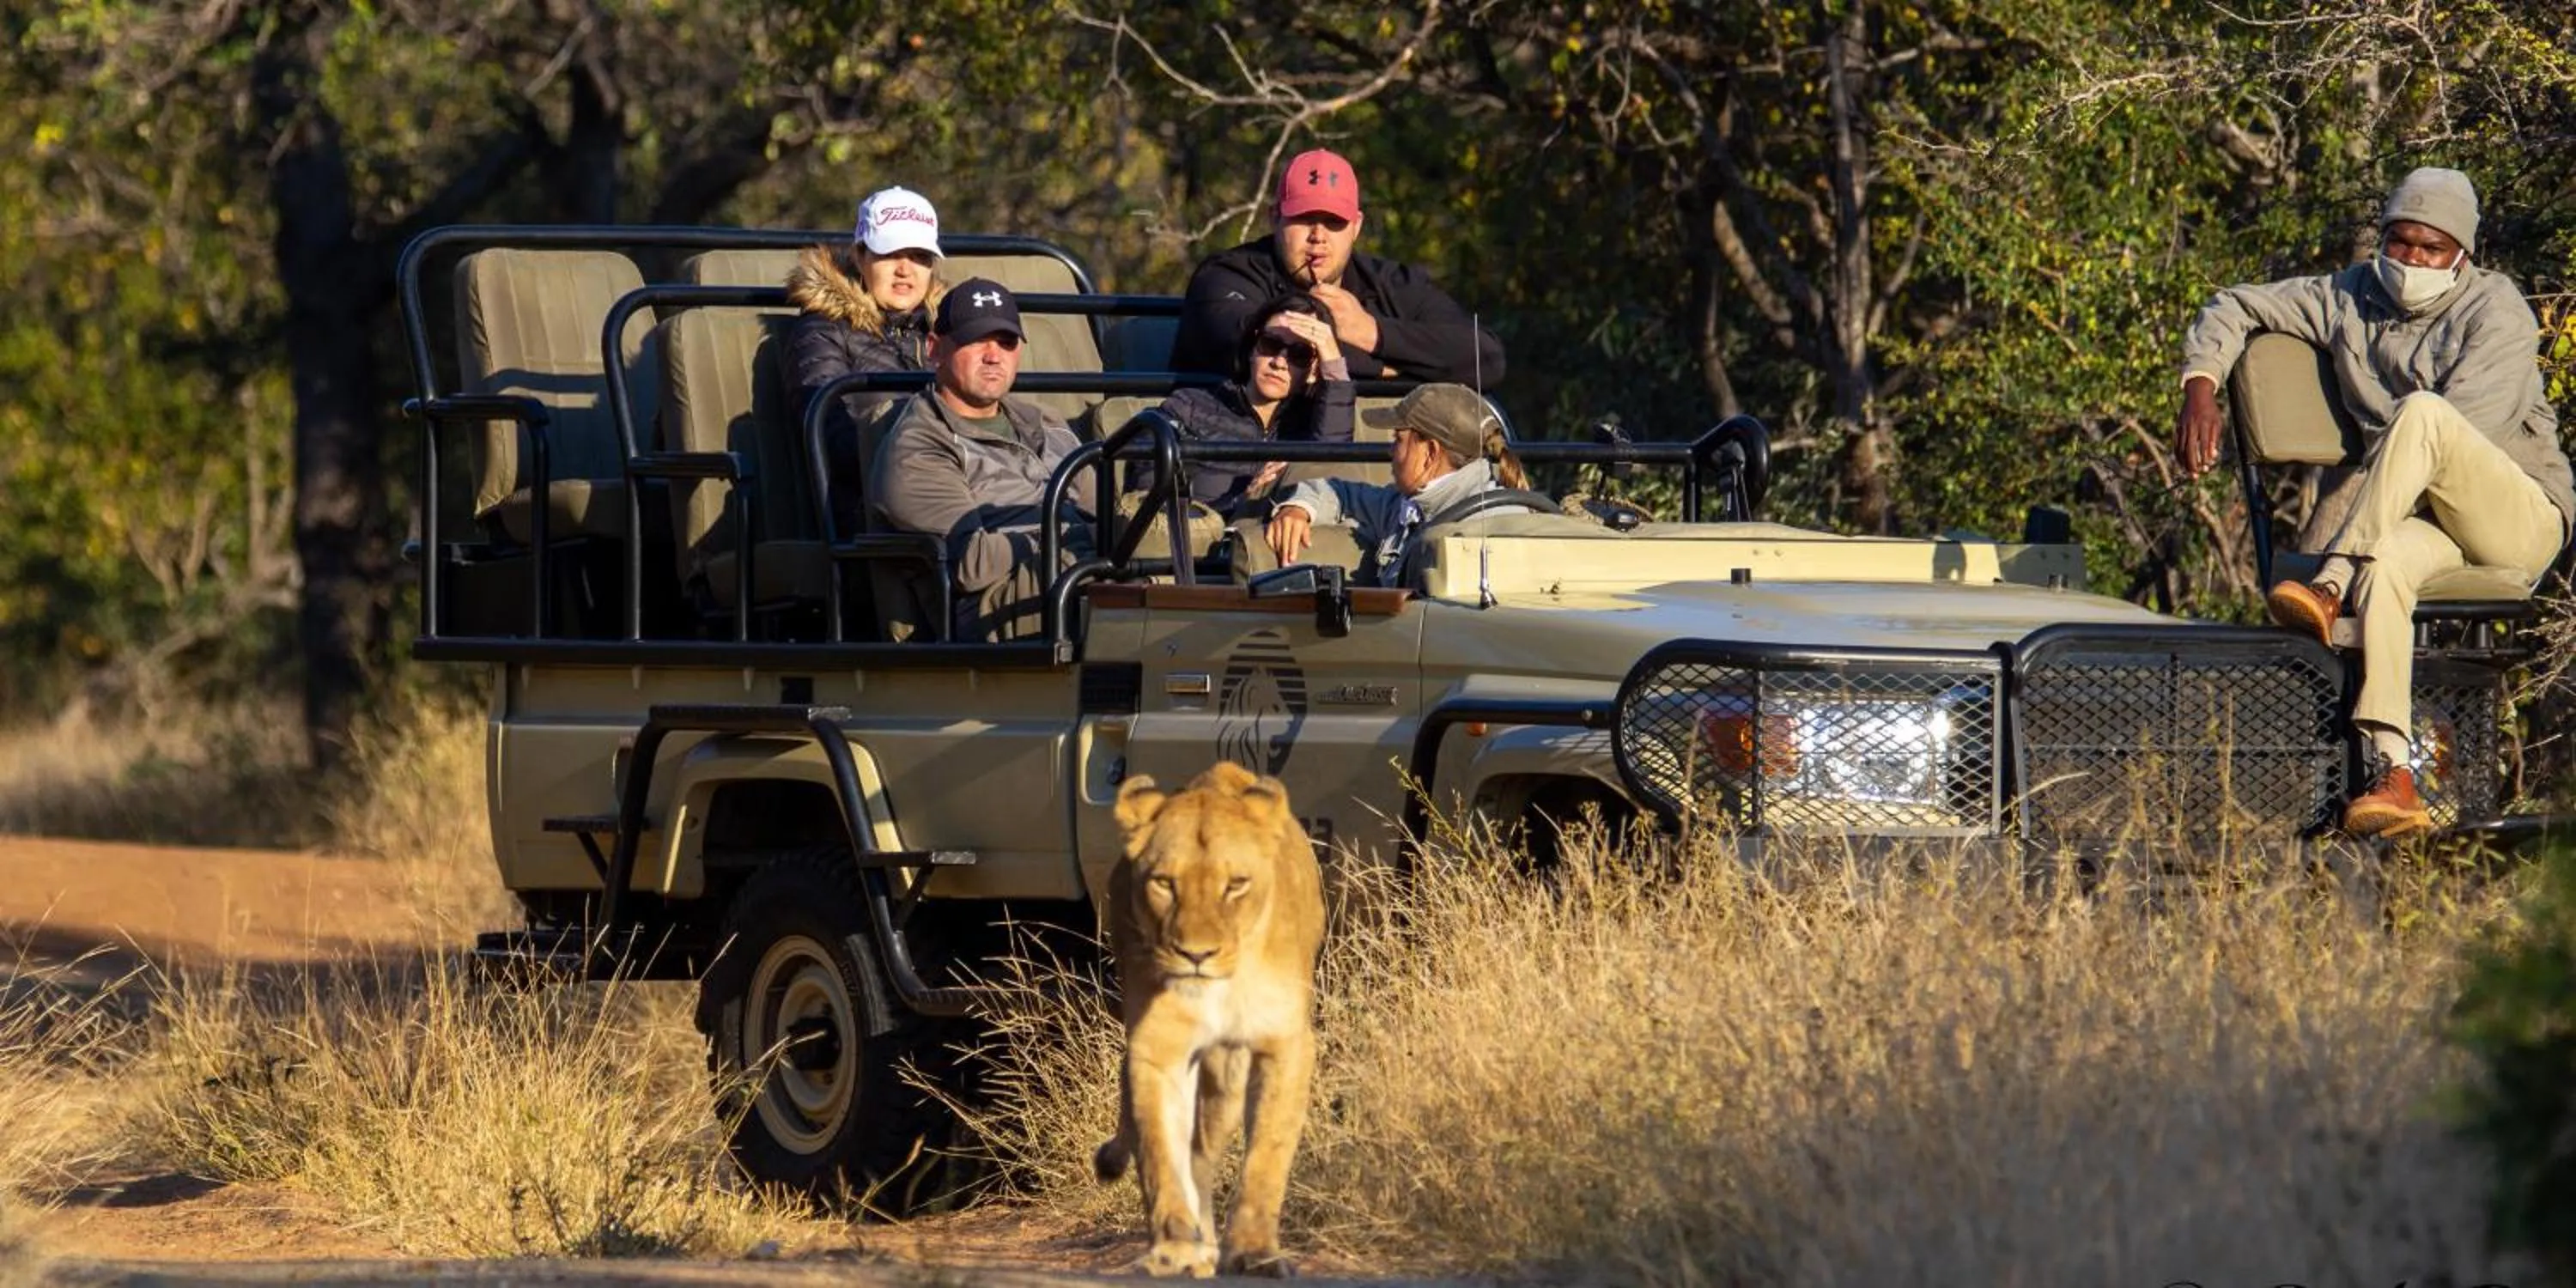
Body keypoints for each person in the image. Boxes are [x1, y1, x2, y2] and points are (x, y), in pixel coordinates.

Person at [2176, 166, 2573, 837]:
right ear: (2383, 239)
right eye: (2400, 242)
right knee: (2386, 561)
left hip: (2516, 517)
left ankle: (2332, 580)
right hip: (2416, 524)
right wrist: (2200, 385)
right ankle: (2395, 773)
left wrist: (2333, 556)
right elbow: (2236, 303)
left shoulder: (2497, 310)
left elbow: (2459, 432)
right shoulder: (2349, 295)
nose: (2411, 260)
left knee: (2423, 415)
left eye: (2430, 248)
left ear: (2462, 257)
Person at [871, 279, 1095, 641]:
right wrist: (1073, 537)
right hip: (994, 609)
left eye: (1006, 343)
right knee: (1108, 570)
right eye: (977, 340)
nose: (994, 355)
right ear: (934, 349)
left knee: (1178, 550)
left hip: (1071, 573)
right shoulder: (919, 446)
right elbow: (973, 564)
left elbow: (1100, 514)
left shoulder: (1046, 421)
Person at [1173, 149, 1505, 386]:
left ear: (1356, 227)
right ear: (1274, 218)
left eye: (1334, 222)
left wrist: (1372, 332)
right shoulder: (1227, 275)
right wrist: (1393, 366)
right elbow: (1257, 345)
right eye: (1304, 219)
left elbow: (1487, 358)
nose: (1318, 237)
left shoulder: (1389, 283)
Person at [789, 185, 948, 534]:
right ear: (861, 257)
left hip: (957, 484)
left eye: (920, 256)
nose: (905, 269)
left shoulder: (949, 330)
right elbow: (833, 436)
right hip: (877, 512)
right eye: (891, 253)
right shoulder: (822, 331)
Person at [1265, 382, 1532, 587]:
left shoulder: (1493, 526)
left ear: (1430, 453)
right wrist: (1298, 509)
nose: (1390, 451)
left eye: (1398, 440)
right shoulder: (1403, 505)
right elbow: (1340, 492)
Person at [1134, 295, 1355, 519]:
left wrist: (1333, 363)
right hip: (1206, 549)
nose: (1279, 362)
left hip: (1284, 549)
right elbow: (1148, 503)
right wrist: (1242, 503)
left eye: (1300, 354)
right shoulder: (1188, 407)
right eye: (1270, 344)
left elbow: (1331, 463)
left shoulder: (1313, 422)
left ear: (1313, 373)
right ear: (1252, 349)